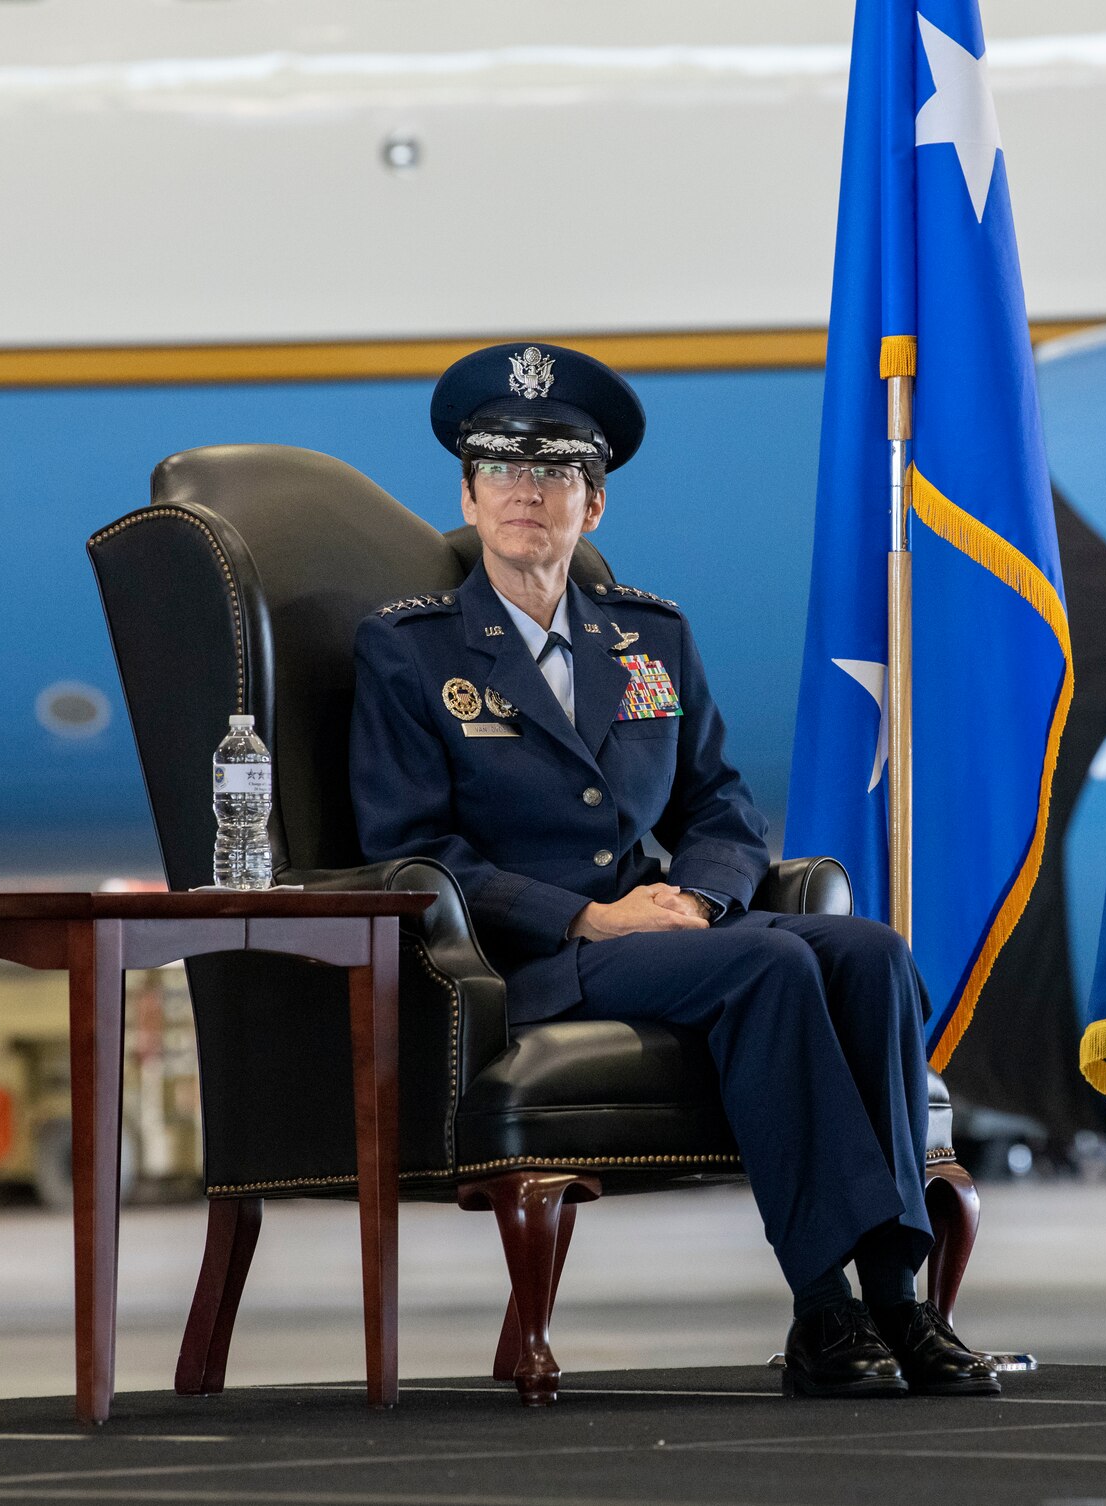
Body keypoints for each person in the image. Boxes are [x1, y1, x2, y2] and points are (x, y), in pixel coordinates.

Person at [349, 342, 999, 1399]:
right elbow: (412, 851)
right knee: (771, 971)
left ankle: (897, 1294)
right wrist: (591, 920)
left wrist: (697, 899)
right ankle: (829, 1313)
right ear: (467, 494)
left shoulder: (650, 637)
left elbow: (723, 806)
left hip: (670, 929)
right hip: (534, 955)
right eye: (503, 470)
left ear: (591, 506)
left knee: (869, 951)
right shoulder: (410, 653)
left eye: (555, 472)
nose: (528, 493)